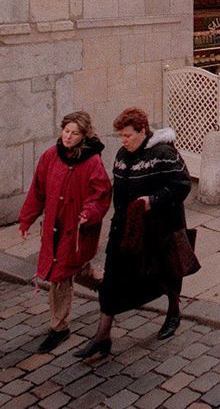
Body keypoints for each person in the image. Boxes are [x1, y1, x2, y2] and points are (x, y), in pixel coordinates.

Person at [74, 107, 193, 361]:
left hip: (159, 230)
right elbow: (118, 192)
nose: (123, 140)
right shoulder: (122, 155)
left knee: (167, 274)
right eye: (120, 136)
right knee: (112, 280)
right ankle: (102, 337)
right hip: (125, 229)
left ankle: (174, 313)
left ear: (142, 131)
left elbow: (182, 185)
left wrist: (153, 200)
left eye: (127, 135)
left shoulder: (163, 154)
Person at [19, 111, 111, 353]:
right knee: (61, 274)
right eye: (66, 131)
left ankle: (104, 288)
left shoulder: (92, 162)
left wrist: (88, 213)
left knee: (72, 270)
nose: (68, 137)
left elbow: (101, 193)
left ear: (83, 136)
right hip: (54, 229)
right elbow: (37, 190)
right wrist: (26, 219)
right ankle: (60, 327)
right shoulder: (51, 156)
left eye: (74, 133)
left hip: (78, 230)